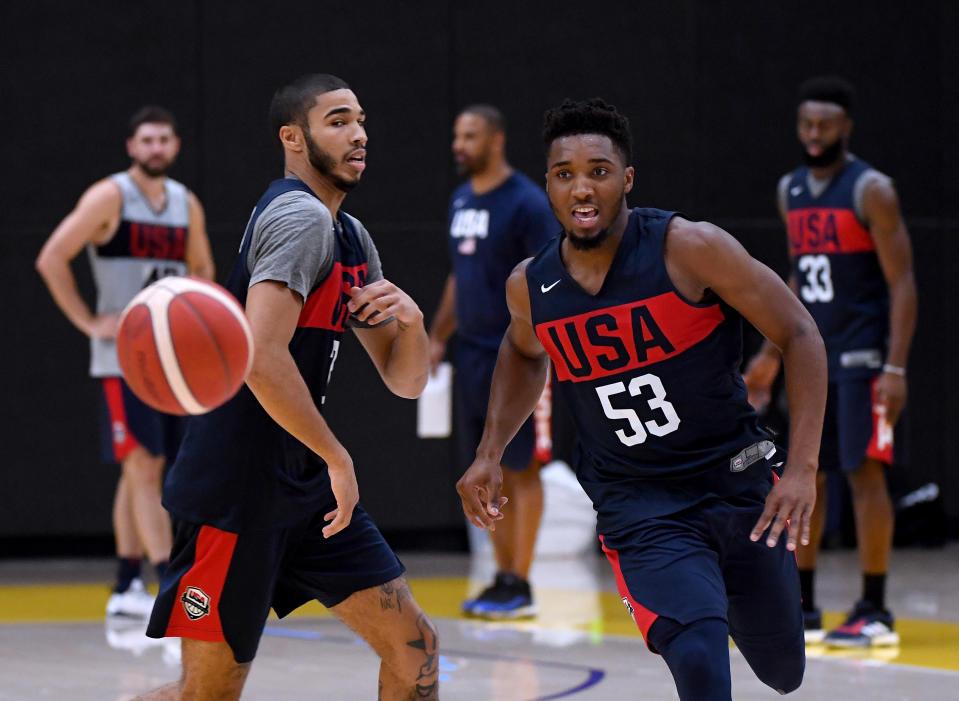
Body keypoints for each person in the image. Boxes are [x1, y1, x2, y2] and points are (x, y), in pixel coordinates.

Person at [456, 98, 827, 700]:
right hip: (639, 501)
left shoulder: (689, 248)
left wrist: (803, 470)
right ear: (547, 186)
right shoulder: (532, 286)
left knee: (784, 672)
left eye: (599, 171)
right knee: (701, 659)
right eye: (565, 174)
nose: (582, 188)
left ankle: (713, 588)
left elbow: (800, 333)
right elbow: (524, 352)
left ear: (626, 179)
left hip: (737, 482)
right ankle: (693, 599)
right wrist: (490, 450)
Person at [136, 74, 438, 701]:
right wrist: (337, 456)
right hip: (237, 489)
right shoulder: (300, 217)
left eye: (360, 120)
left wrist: (411, 320)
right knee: (207, 695)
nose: (358, 134)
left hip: (306, 490)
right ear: (293, 138)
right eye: (337, 121)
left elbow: (405, 381)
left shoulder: (351, 236)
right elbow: (260, 358)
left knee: (416, 654)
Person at [744, 76, 917, 647]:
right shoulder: (790, 188)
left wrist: (895, 368)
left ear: (846, 126)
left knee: (865, 474)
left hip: (864, 355)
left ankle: (875, 607)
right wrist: (770, 351)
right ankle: (806, 603)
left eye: (825, 124)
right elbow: (800, 274)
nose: (814, 134)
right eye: (806, 124)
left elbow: (904, 284)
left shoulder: (872, 190)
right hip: (813, 356)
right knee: (806, 473)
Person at [35, 106, 214, 618]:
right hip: (124, 357)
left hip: (170, 359)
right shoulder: (109, 195)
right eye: (147, 140)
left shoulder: (186, 204)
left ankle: (125, 584)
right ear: (132, 147)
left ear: (175, 146)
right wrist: (90, 322)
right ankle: (168, 583)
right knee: (142, 465)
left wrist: (200, 325)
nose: (156, 148)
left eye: (164, 140)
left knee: (145, 470)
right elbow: (51, 257)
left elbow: (201, 269)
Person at [428, 104, 557, 619]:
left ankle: (521, 582)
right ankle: (501, 577)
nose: (460, 144)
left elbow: (548, 275)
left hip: (519, 354)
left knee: (522, 465)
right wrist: (437, 336)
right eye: (457, 135)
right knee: (487, 467)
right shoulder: (461, 200)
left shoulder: (526, 202)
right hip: (471, 354)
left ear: (496, 141)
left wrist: (543, 346)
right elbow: (459, 277)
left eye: (470, 135)